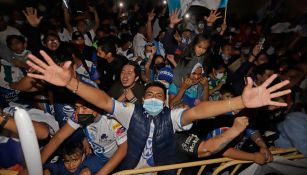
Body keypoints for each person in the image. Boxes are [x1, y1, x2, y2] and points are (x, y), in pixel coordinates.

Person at [26, 50, 290, 174]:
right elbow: (104, 101)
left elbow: (200, 112)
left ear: (165, 102)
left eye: (158, 96)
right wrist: (72, 83)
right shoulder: (132, 112)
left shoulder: (172, 117)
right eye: (149, 95)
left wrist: (239, 103)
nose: (152, 98)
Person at [40, 97, 127, 175]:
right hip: (99, 157)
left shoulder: (111, 118)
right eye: (76, 107)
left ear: (97, 105)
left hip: (119, 158)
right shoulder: (79, 115)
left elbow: (123, 149)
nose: (79, 112)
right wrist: (35, 165)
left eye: (84, 107)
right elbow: (58, 138)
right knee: (84, 172)